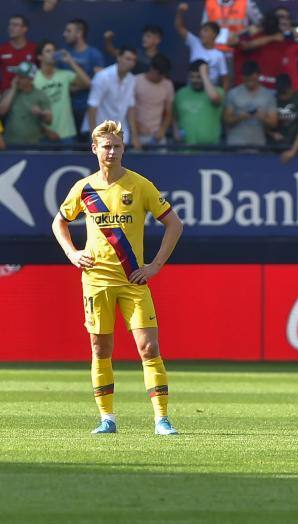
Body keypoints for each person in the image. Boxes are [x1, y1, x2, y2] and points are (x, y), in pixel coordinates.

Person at [51, 120, 183, 436]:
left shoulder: (140, 185)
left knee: (149, 348)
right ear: (94, 149)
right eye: (106, 146)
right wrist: (72, 253)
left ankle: (161, 419)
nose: (112, 151)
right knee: (100, 349)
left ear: (124, 149)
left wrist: (154, 266)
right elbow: (59, 223)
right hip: (96, 281)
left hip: (133, 281)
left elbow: (174, 224)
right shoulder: (83, 188)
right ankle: (107, 418)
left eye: (117, 146)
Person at [34, 40, 90, 144]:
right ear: (39, 57)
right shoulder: (34, 78)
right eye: (48, 51)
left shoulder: (64, 75)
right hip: (44, 134)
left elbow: (87, 83)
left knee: (70, 161)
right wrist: (45, 130)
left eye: (54, 51)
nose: (52, 53)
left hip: (67, 133)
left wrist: (70, 62)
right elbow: (31, 109)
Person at [85, 46, 139, 149]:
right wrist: (93, 136)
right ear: (118, 57)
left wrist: (135, 135)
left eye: (133, 60)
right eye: (128, 59)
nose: (131, 63)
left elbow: (130, 108)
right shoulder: (102, 77)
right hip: (101, 133)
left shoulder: (132, 79)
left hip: (121, 134)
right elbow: (92, 108)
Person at [60, 19, 105, 134]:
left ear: (79, 33)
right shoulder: (64, 55)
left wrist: (80, 86)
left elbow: (100, 84)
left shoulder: (94, 54)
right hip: (67, 111)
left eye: (68, 31)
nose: (64, 34)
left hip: (88, 110)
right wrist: (82, 85)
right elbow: (61, 84)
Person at [175, 2, 229, 90]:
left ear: (214, 34)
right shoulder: (195, 43)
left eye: (206, 31)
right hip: (192, 87)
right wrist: (180, 12)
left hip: (209, 90)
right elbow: (179, 28)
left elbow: (225, 79)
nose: (201, 33)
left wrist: (222, 97)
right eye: (201, 31)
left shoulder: (219, 55)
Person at [223, 60, 276, 146]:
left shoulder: (268, 95)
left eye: (253, 79)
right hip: (235, 143)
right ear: (243, 77)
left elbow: (273, 123)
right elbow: (226, 120)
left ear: (258, 75)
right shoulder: (233, 93)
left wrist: (262, 117)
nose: (250, 82)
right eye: (247, 79)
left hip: (258, 144)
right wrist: (241, 117)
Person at [173, 60, 224, 145]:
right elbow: (175, 116)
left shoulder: (218, 91)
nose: (195, 80)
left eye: (199, 77)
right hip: (185, 150)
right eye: (192, 77)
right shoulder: (180, 93)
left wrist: (204, 75)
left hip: (211, 149)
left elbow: (214, 98)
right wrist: (175, 131)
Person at [0, 62, 52, 144]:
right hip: (10, 143)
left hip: (33, 143)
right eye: (17, 76)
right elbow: (2, 111)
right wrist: (13, 89)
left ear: (31, 79)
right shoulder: (9, 93)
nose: (17, 79)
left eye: (21, 77)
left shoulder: (40, 95)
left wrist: (41, 113)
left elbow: (49, 121)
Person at [133, 54, 174, 146]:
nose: (161, 78)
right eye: (159, 75)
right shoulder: (135, 81)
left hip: (157, 136)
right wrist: (135, 131)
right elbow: (131, 110)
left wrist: (162, 129)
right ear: (152, 68)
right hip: (138, 135)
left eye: (164, 75)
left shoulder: (168, 85)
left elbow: (169, 112)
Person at [271, 74, 298, 163]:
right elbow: (264, 121)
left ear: (290, 88)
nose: (283, 97)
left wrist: (293, 151)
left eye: (285, 93)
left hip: (296, 146)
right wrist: (272, 133)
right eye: (280, 94)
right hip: (275, 148)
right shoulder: (272, 98)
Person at [0, 14, 37, 93]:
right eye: (10, 25)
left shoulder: (34, 48)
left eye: (15, 25)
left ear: (24, 29)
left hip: (28, 94)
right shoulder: (2, 49)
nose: (11, 28)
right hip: (6, 93)